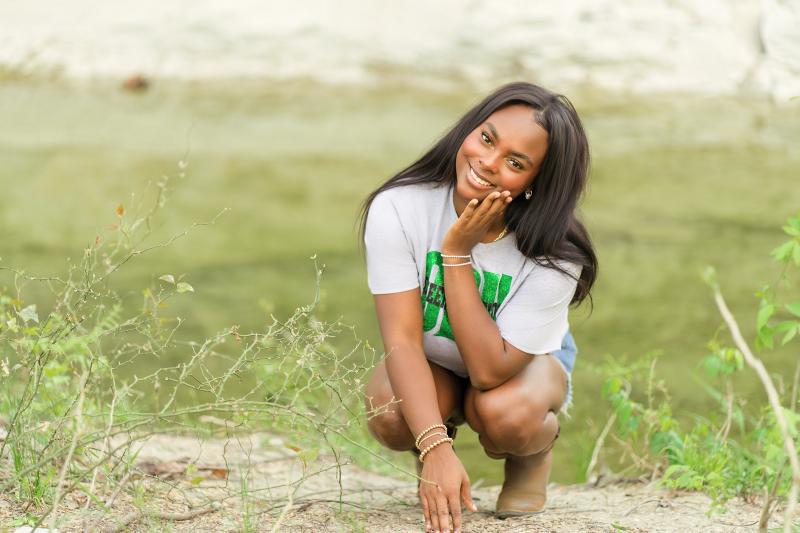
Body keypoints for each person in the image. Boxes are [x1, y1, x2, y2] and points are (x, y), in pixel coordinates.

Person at [359, 81, 597, 533]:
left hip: (519, 367)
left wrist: (456, 254)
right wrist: (434, 447)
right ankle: (437, 447)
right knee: (388, 411)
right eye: (487, 139)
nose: (487, 162)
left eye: (515, 162)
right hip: (434, 359)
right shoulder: (400, 207)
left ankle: (531, 457)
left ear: (536, 183)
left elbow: (490, 372)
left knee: (505, 414)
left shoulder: (557, 255)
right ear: (469, 129)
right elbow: (402, 342)